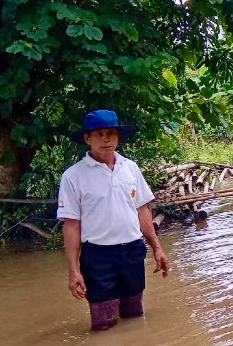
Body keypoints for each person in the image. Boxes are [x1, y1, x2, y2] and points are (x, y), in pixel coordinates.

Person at [57, 110, 170, 331]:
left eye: (111, 133)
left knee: (135, 316)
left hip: (132, 251)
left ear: (118, 137)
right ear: (87, 138)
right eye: (98, 134)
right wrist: (73, 270)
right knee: (102, 325)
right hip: (98, 256)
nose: (106, 139)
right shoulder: (73, 176)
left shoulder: (130, 168)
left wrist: (157, 247)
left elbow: (142, 211)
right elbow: (71, 225)